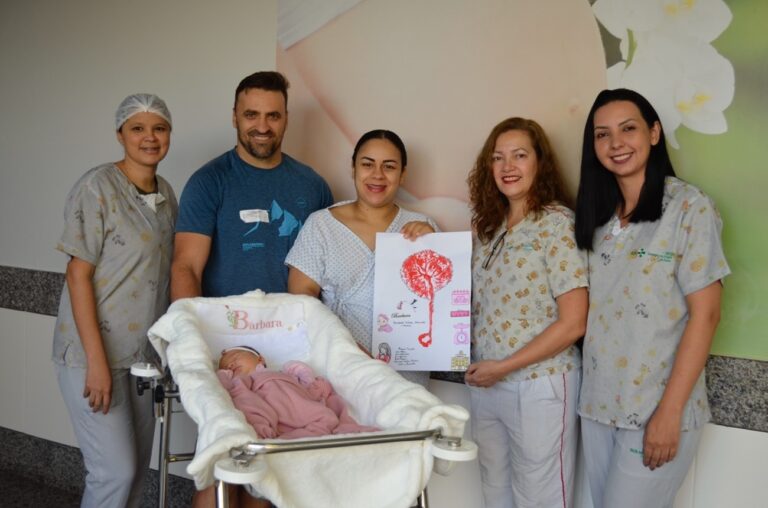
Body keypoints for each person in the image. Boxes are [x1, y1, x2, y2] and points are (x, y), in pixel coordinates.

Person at [574, 88, 730, 508]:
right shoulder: (598, 218)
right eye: (602, 135)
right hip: (597, 405)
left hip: (655, 410)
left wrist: (669, 413)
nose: (615, 143)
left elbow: (707, 315)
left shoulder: (688, 208)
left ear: (655, 133)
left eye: (629, 129)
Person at [52, 94, 177, 508]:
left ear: (169, 134)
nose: (149, 137)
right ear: (120, 134)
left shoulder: (167, 196)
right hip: (93, 354)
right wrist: (97, 363)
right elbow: (78, 274)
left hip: (142, 358)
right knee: (113, 473)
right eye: (138, 128)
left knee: (137, 469)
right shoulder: (97, 187)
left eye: (158, 128)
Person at [464, 117, 588, 508]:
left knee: (542, 498)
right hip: (487, 382)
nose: (507, 166)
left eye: (519, 155)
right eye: (498, 158)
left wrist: (504, 366)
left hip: (540, 384)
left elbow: (574, 322)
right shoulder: (490, 230)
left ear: (540, 163)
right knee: (495, 491)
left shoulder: (556, 224)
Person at [285, 129, 436, 386]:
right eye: (367, 164)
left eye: (389, 166)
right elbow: (301, 302)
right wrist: (352, 351)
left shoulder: (423, 227)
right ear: (353, 168)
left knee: (407, 425)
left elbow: (440, 304)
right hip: (339, 370)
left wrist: (434, 246)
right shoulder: (322, 225)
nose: (377, 174)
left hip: (406, 377)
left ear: (402, 174)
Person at [171, 71, 333, 300]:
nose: (263, 127)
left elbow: (331, 270)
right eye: (251, 115)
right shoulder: (207, 182)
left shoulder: (314, 186)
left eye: (273, 116)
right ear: (235, 117)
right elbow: (186, 268)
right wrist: (187, 331)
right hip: (225, 330)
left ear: (286, 119)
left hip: (294, 331)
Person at [217, 346, 379, 438]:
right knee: (249, 409)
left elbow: (307, 385)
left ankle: (306, 438)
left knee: (327, 416)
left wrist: (308, 381)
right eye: (226, 366)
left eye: (236, 357)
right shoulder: (244, 382)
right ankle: (287, 439)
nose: (230, 364)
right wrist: (224, 376)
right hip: (272, 412)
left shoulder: (282, 373)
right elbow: (226, 390)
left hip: (302, 406)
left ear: (260, 359)